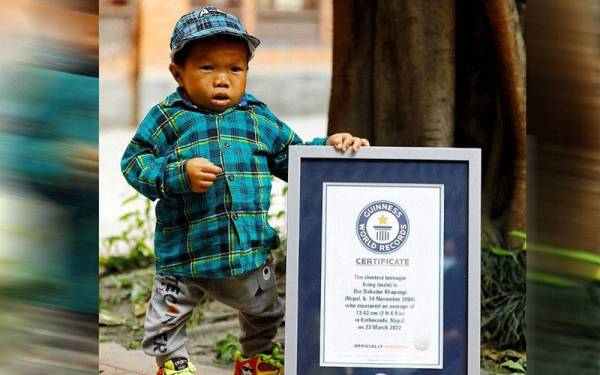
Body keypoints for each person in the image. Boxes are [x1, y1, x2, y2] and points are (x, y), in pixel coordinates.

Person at [121, 6, 369, 375]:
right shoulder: (167, 118)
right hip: (187, 251)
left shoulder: (257, 117)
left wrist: (329, 147)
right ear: (178, 73)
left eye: (234, 69)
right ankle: (174, 364)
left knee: (265, 312)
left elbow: (292, 156)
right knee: (168, 317)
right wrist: (177, 174)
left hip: (246, 249)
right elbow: (133, 162)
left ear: (247, 73)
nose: (222, 79)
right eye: (207, 68)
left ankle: (255, 359)